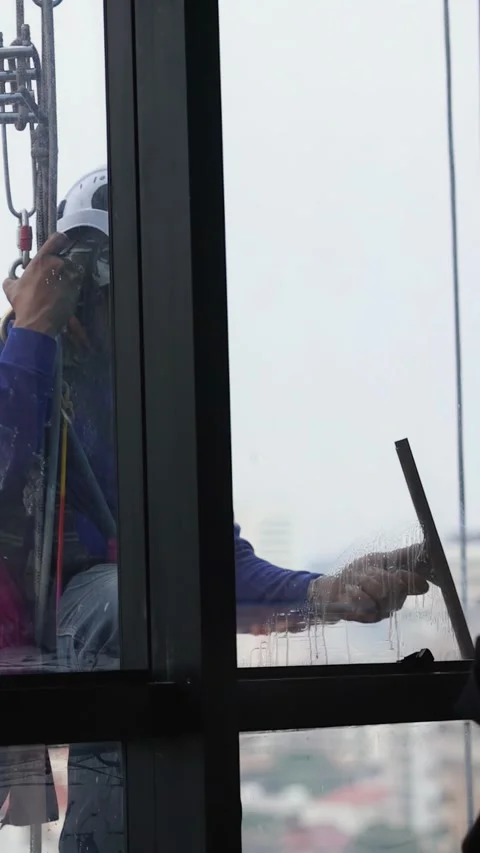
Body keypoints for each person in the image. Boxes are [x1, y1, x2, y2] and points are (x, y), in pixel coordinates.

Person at [0, 166, 431, 851]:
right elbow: (6, 488)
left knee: (144, 608)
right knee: (132, 608)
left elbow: (204, 569)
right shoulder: (27, 372)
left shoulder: (156, 401)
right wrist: (29, 336)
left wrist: (322, 593)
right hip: (56, 624)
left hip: (108, 622)